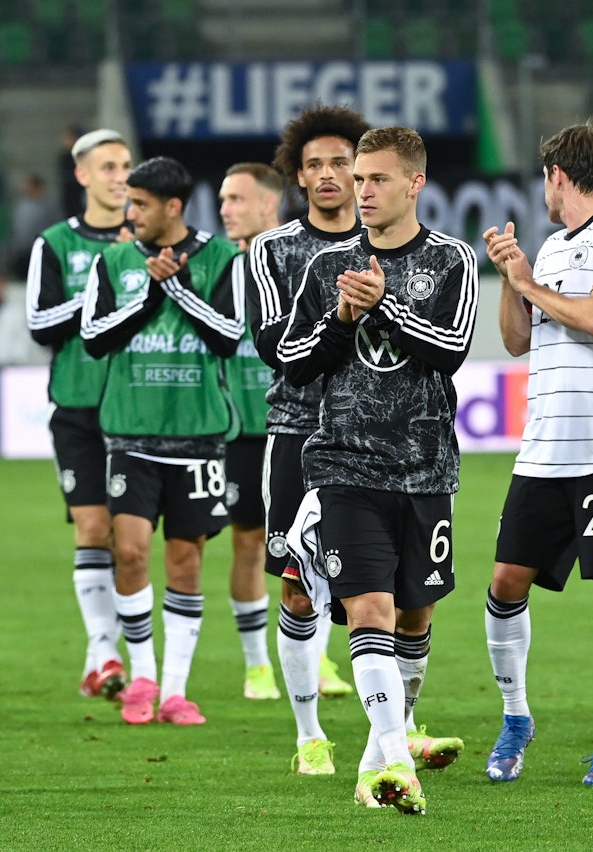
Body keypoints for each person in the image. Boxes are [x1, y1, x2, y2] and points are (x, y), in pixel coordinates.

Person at [278, 126, 479, 813]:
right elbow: (294, 362)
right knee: (369, 610)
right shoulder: (327, 264)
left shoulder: (451, 259)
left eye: (378, 179)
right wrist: (341, 316)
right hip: (345, 465)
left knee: (415, 620)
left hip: (426, 468)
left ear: (415, 183)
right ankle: (398, 763)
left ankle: (374, 767)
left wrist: (385, 306)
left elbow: (451, 350)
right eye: (359, 179)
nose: (363, 191)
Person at [482, 122, 593, 788]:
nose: (544, 192)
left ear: (559, 174)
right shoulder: (552, 247)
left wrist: (529, 284)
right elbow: (517, 342)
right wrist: (512, 279)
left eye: (545, 179)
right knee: (504, 585)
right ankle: (516, 718)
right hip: (543, 450)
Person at [80, 156, 245, 726]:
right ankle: (142, 677)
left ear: (173, 208)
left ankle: (175, 689)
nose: (131, 213)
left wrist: (174, 286)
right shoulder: (114, 261)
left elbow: (228, 336)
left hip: (198, 437)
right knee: (127, 552)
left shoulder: (225, 259)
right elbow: (93, 337)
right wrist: (149, 296)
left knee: (185, 560)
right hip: (130, 433)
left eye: (141, 205)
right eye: (130, 202)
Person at [245, 105, 365, 774]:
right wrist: (342, 324)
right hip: (297, 432)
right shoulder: (272, 250)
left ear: (362, 170)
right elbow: (275, 347)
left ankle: (399, 725)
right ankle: (307, 736)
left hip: (377, 437)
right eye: (314, 164)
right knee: (296, 586)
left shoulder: (394, 245)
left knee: (394, 590)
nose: (327, 175)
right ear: (297, 175)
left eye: (340, 163)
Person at [26, 129, 133, 700]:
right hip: (78, 406)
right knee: (94, 528)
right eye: (109, 166)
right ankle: (106, 655)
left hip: (137, 408)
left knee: (128, 539)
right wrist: (99, 292)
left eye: (126, 166)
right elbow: (40, 326)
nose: (120, 175)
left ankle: (101, 658)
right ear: (83, 175)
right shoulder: (55, 244)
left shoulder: (147, 244)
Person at [217, 162, 283, 700]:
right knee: (248, 541)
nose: (224, 209)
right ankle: (256, 662)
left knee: (312, 544)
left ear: (268, 204)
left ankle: (317, 656)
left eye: (236, 199)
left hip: (296, 426)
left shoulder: (296, 260)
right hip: (239, 427)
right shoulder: (217, 267)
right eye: (223, 200)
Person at [9, 173, 60, 278]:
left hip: (40, 252)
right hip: (22, 252)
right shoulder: (21, 206)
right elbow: (15, 229)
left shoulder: (49, 207)